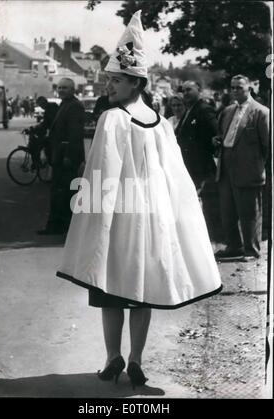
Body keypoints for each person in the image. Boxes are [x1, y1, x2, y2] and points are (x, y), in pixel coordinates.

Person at [57, 10, 221, 388]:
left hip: (121, 213)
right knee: (143, 288)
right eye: (110, 80)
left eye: (115, 80)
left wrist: (89, 211)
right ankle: (135, 359)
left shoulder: (112, 119)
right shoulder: (160, 123)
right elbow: (173, 174)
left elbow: (102, 170)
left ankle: (113, 356)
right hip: (153, 214)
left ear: (136, 83)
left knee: (110, 285)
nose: (109, 86)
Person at [214, 74, 269, 261]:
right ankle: (234, 246)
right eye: (233, 87)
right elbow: (223, 134)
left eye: (239, 87)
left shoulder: (261, 112)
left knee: (249, 211)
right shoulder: (227, 111)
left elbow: (268, 145)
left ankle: (251, 249)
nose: (235, 90)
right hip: (227, 164)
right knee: (227, 209)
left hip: (249, 167)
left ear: (249, 89)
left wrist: (259, 167)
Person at [37, 78, 85, 235]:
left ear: (73, 90)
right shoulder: (64, 105)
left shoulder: (75, 106)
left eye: (65, 87)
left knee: (65, 192)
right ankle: (55, 226)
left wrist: (69, 156)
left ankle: (64, 227)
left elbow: (75, 134)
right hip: (58, 155)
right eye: (60, 87)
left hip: (66, 157)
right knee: (58, 192)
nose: (62, 90)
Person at [175, 81, 218, 196]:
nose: (185, 93)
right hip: (188, 165)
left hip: (201, 167)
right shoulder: (189, 110)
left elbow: (216, 134)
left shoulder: (204, 110)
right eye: (183, 91)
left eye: (189, 90)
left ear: (199, 91)